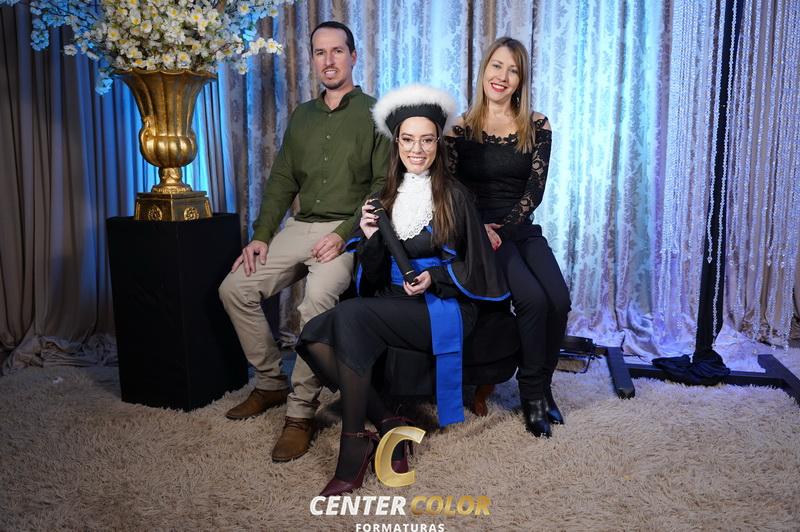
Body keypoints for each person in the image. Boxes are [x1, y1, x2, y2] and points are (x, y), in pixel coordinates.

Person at [296, 84, 509, 496]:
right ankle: (389, 422)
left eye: (427, 140)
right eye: (408, 140)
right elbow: (373, 274)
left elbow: (479, 265)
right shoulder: (383, 198)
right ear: (396, 143)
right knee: (312, 337)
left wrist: (437, 278)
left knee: (350, 318)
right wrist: (370, 238)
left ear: (438, 143)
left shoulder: (455, 196)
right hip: (394, 299)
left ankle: (352, 448)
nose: (417, 149)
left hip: (442, 306)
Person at [218, 21, 389, 462]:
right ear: (312, 59)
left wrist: (343, 235)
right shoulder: (302, 115)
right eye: (319, 52)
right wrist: (261, 236)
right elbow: (282, 180)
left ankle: (300, 413)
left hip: (346, 232)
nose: (328, 60)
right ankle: (270, 382)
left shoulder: (377, 115)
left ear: (354, 56)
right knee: (234, 288)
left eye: (337, 51)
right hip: (299, 227)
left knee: (315, 303)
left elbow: (381, 188)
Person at [446, 37, 571, 438]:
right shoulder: (459, 128)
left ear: (521, 80)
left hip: (518, 227)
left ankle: (543, 385)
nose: (502, 76)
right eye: (497, 66)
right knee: (532, 299)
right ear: (484, 70)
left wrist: (507, 225)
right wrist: (479, 229)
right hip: (479, 232)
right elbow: (451, 190)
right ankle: (531, 395)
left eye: (513, 70)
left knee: (559, 299)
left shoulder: (537, 124)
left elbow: (535, 190)